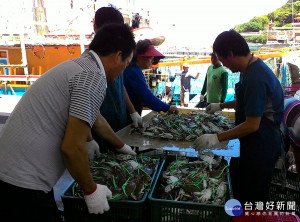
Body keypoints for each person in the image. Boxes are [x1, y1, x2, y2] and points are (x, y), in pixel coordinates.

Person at [0, 23, 136, 222]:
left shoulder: (79, 66)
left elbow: (95, 118)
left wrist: (121, 146)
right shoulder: (93, 77)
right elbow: (72, 148)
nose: (124, 68)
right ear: (118, 56)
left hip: (10, 171)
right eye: (127, 62)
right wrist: (92, 191)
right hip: (24, 184)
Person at [194, 29, 284, 205]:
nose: (224, 65)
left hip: (262, 144)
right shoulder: (249, 68)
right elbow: (246, 102)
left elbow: (252, 125)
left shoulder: (255, 76)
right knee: (239, 183)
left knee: (252, 197)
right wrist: (221, 105)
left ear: (231, 54)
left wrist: (216, 137)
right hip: (251, 142)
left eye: (223, 60)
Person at [90, 7, 142, 155]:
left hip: (119, 120)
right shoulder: (92, 66)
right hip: (100, 129)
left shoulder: (116, 56)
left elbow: (120, 85)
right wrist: (88, 139)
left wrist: (132, 112)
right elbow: (94, 117)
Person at [123, 39, 178, 115]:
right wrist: (167, 107)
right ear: (141, 57)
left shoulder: (132, 68)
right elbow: (146, 96)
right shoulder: (133, 71)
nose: (152, 62)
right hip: (126, 116)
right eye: (150, 58)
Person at [282, 93, 300, 178]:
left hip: (291, 103)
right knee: (282, 148)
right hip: (283, 111)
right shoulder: (297, 131)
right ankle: (283, 175)